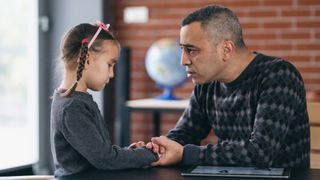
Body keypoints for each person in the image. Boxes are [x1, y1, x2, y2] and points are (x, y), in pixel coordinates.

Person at [147, 5, 310, 168]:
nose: (183, 60)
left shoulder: (278, 74)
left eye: (191, 50)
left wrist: (185, 153)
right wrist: (159, 148)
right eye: (182, 49)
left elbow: (260, 153)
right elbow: (185, 134)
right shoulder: (207, 83)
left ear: (226, 50)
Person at [50, 22, 158, 177]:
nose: (112, 74)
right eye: (109, 65)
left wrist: (130, 153)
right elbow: (105, 159)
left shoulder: (73, 101)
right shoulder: (72, 107)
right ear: (87, 60)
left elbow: (99, 151)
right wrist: (150, 155)